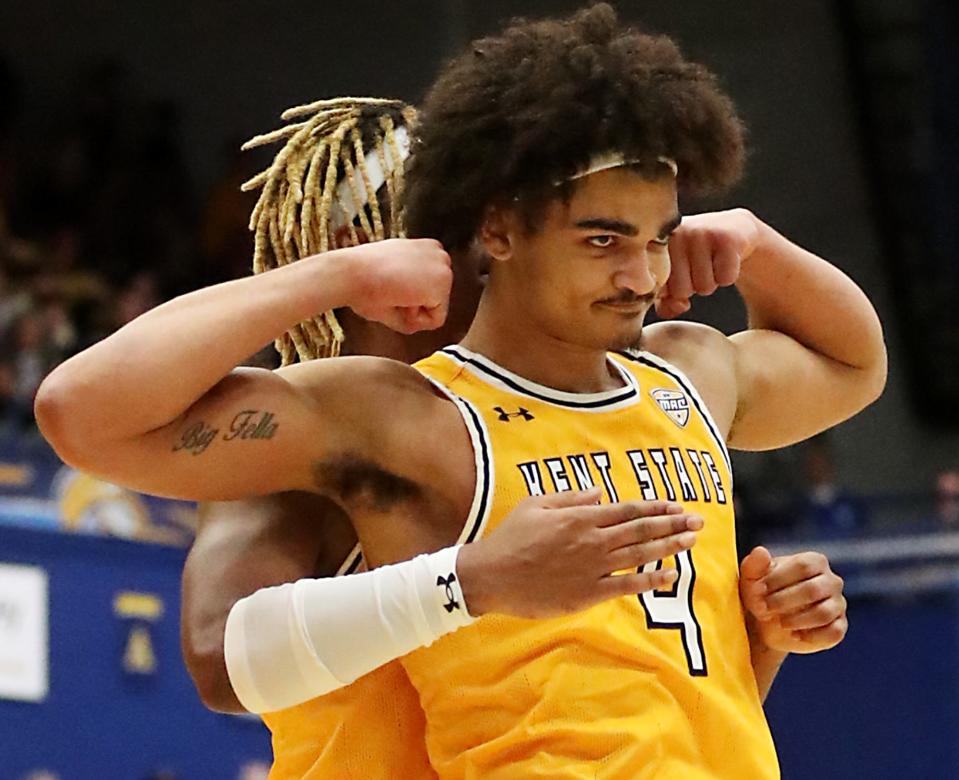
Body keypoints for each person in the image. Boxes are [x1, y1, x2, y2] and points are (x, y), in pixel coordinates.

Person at [36, 5, 880, 777]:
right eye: (444, 230)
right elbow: (221, 660)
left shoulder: (644, 384)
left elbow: (627, 704)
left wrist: (755, 640)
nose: (469, 259)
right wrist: (328, 277)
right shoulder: (357, 424)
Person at [182, 97, 848, 779]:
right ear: (369, 243)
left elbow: (607, 728)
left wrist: (756, 642)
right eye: (471, 222)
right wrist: (468, 582)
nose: (502, 240)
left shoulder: (586, 411)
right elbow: (215, 657)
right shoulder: (312, 436)